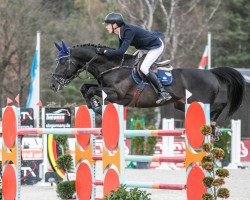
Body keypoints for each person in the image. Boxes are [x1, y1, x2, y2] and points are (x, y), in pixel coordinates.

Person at [96, 12, 172, 104]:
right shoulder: (121, 33)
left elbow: (120, 52)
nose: (106, 27)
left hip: (155, 46)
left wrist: (104, 52)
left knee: (143, 68)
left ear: (115, 25)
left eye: (108, 24)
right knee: (132, 62)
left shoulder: (128, 31)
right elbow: (120, 53)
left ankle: (163, 92)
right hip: (144, 48)